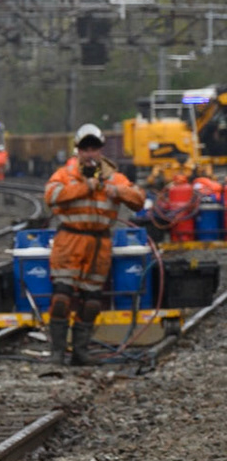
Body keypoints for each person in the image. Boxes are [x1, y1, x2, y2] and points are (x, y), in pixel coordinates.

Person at [43, 124, 145, 365]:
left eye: (94, 148)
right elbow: (51, 196)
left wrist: (117, 191)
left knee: (91, 301)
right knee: (62, 298)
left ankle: (80, 352)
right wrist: (84, 187)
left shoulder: (114, 177)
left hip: (99, 245)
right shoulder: (65, 174)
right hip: (69, 242)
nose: (90, 153)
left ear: (101, 150)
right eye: (85, 148)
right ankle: (57, 352)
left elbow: (139, 200)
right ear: (78, 150)